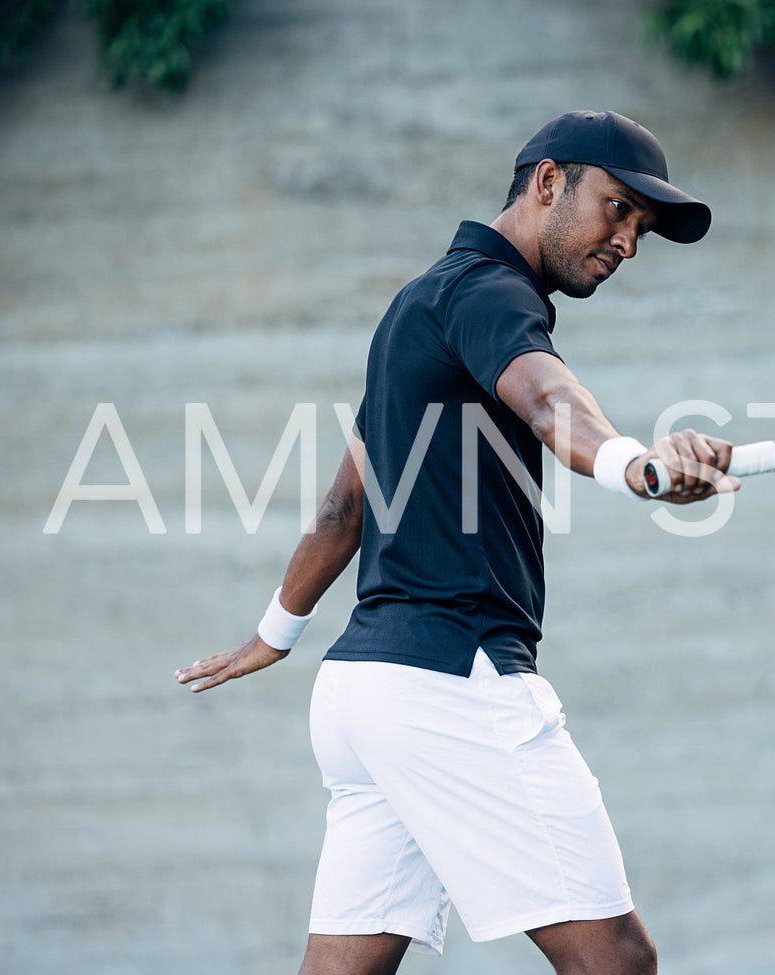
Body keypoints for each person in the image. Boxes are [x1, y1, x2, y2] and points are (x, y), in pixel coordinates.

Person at [174, 110, 737, 975]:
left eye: (641, 227)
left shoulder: (417, 305)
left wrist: (276, 632)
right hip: (450, 678)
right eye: (618, 208)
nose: (627, 241)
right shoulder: (490, 294)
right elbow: (551, 402)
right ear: (548, 182)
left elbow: (345, 503)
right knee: (616, 961)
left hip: (364, 695)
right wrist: (637, 467)